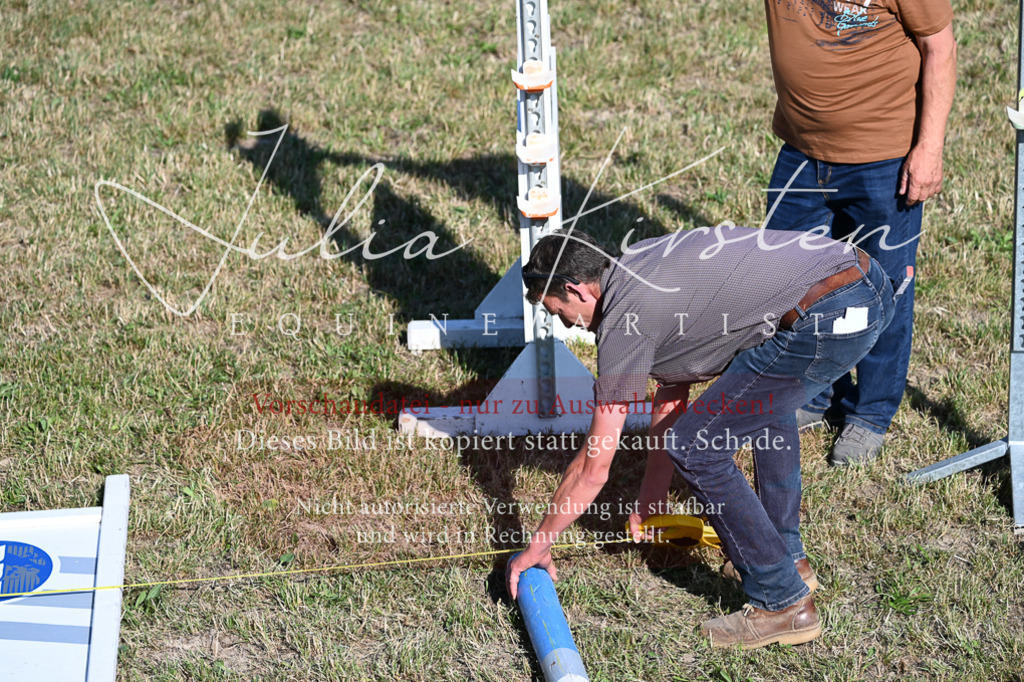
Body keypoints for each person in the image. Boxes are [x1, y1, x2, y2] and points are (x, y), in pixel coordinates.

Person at [505, 227, 902, 648]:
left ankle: (781, 601)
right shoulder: (633, 264)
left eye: (558, 312)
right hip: (864, 280)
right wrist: (651, 497)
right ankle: (787, 561)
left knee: (696, 447)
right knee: (763, 396)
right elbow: (673, 385)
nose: (567, 324)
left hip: (832, 312)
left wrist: (538, 545)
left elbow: (593, 465)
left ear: (576, 289)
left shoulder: (624, 320)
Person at [760, 0, 956, 464]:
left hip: (884, 159)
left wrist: (929, 148)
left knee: (881, 292)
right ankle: (812, 393)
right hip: (801, 154)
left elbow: (940, 49)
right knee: (791, 285)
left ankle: (869, 414)